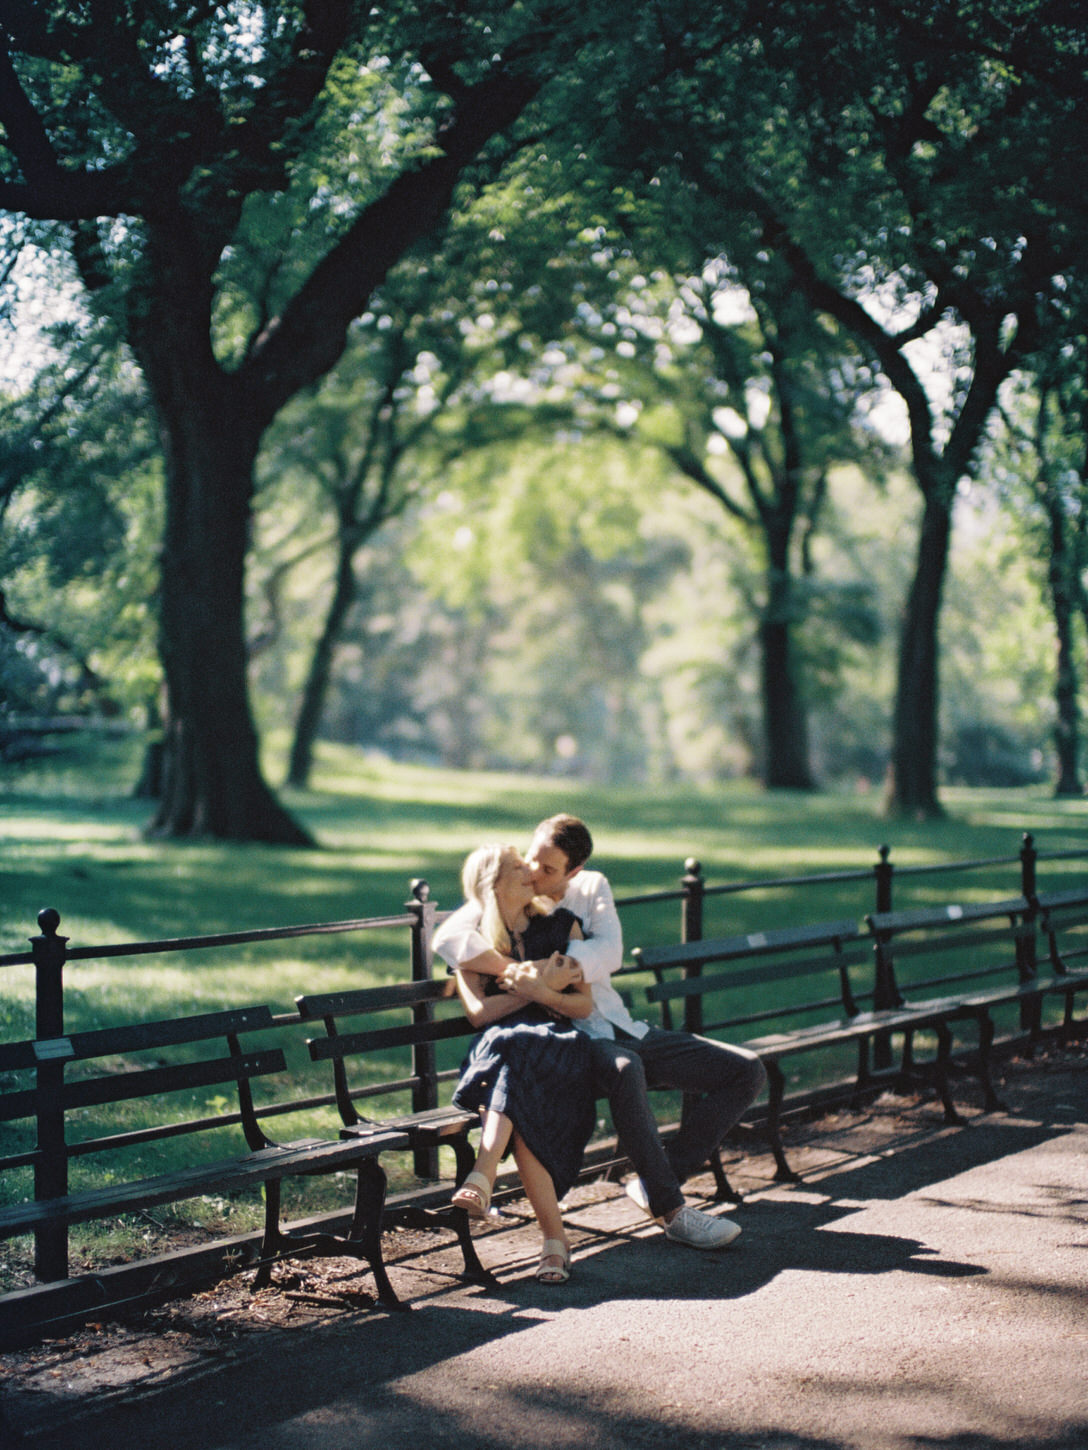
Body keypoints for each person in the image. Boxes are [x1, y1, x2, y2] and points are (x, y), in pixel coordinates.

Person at [434, 814, 767, 1251]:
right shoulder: (510, 892)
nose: (534, 872)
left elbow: (609, 951)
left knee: (746, 1070)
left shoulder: (590, 890)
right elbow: (449, 937)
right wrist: (528, 978)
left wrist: (551, 973)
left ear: (574, 872)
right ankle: (673, 1210)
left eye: (549, 869)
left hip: (621, 1024)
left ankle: (658, 1183)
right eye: (532, 859)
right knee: (625, 1069)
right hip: (569, 1042)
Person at [446, 843, 597, 1283]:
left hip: (557, 1047)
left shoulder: (562, 925)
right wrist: (531, 990)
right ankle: (555, 1242)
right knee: (515, 1057)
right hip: (500, 1056)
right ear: (492, 882)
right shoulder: (472, 940)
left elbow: (582, 1006)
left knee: (519, 1051)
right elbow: (477, 1014)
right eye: (517, 867)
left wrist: (539, 992)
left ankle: (483, 1173)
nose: (531, 870)